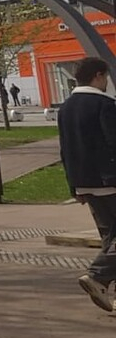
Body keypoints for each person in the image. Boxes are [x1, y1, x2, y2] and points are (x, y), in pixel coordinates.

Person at [57, 56, 116, 312]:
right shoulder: (105, 105)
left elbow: (65, 149)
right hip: (110, 179)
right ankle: (97, 276)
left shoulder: (65, 108)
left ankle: (104, 286)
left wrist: (74, 186)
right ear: (98, 76)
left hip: (84, 183)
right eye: (106, 77)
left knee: (110, 238)